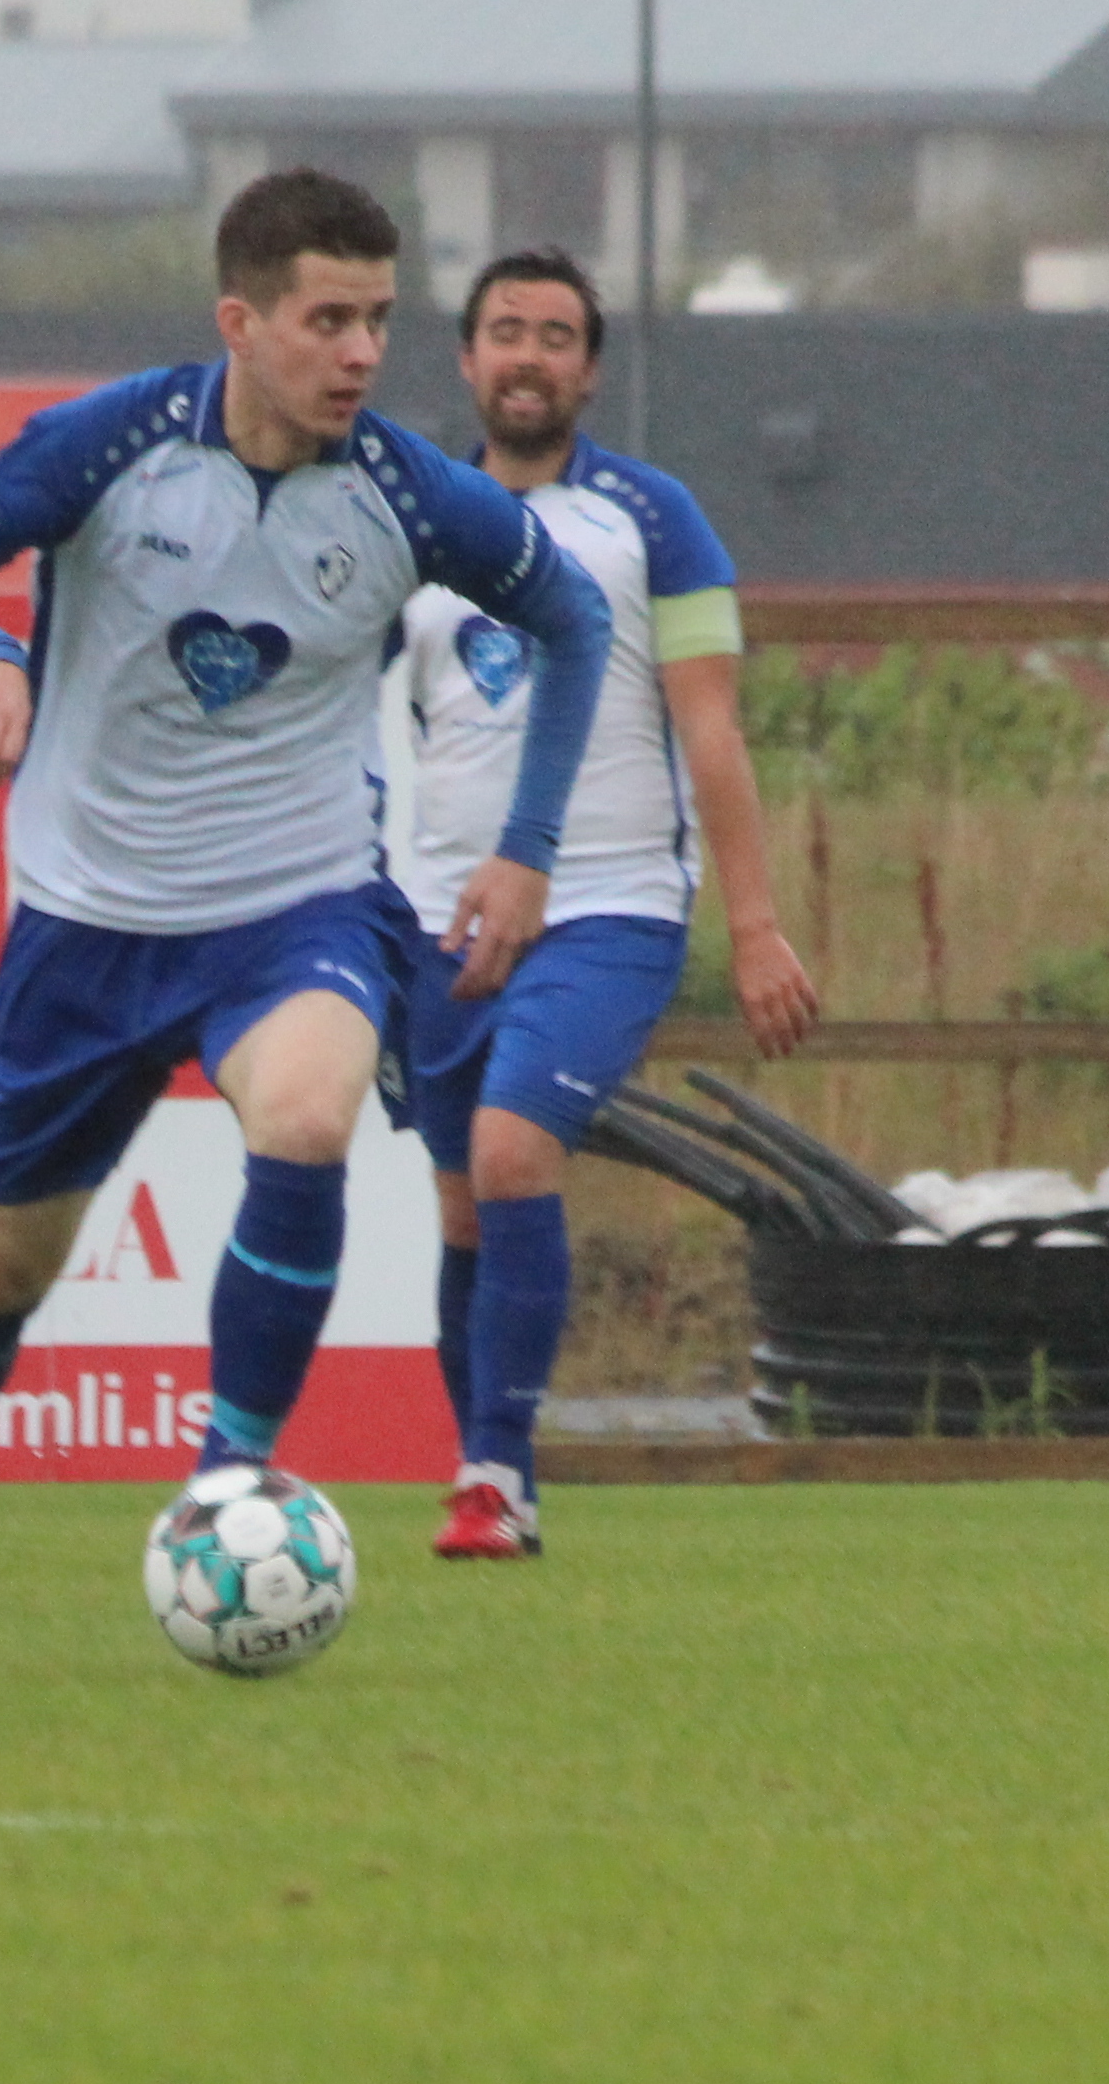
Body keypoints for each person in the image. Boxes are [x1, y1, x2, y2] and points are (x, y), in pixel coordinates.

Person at [0, 170, 613, 1663]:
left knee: (305, 1117)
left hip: (296, 904)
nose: (361, 353)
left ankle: (229, 1486)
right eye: (327, 320)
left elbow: (575, 616)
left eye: (378, 320)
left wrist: (528, 852)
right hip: (88, 920)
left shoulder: (409, 490)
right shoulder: (111, 444)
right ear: (241, 322)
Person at [393, 248, 817, 1560]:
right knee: (464, 1206)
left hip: (611, 908)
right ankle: (483, 1470)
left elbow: (713, 731)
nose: (529, 356)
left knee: (515, 1152)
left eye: (556, 336)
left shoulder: (653, 518)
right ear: (468, 358)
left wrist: (755, 926)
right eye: (506, 331)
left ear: (588, 371)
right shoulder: (410, 515)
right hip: (437, 917)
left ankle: (497, 1479)